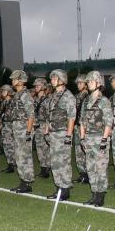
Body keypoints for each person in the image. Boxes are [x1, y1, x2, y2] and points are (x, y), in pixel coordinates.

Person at [79, 70, 114, 206]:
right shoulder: (86, 101)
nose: (89, 84)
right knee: (90, 167)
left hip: (100, 138)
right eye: (88, 82)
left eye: (91, 81)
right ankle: (94, 193)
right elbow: (82, 121)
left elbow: (109, 122)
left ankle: (100, 195)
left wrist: (104, 139)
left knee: (100, 167)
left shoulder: (104, 101)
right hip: (88, 138)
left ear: (99, 83)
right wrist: (82, 138)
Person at [40, 69, 77, 200]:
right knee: (55, 162)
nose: (52, 81)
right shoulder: (54, 96)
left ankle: (65, 189)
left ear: (62, 80)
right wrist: (46, 130)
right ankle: (59, 187)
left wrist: (68, 135)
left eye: (55, 78)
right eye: (52, 78)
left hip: (63, 133)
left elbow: (71, 117)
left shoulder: (68, 96)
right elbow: (49, 115)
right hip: (53, 133)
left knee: (63, 162)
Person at [7, 70, 36, 193]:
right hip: (18, 128)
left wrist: (28, 133)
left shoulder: (25, 95)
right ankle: (24, 181)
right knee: (19, 156)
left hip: (24, 129)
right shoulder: (17, 94)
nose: (12, 81)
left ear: (21, 80)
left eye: (14, 79)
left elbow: (31, 115)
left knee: (24, 156)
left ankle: (26, 182)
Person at [31, 78, 52, 178]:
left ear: (43, 87)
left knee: (46, 148)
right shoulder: (35, 100)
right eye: (35, 86)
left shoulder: (47, 100)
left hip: (44, 126)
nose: (36, 87)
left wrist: (47, 129)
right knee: (39, 149)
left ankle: (48, 167)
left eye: (38, 86)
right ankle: (43, 168)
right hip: (37, 126)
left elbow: (49, 116)